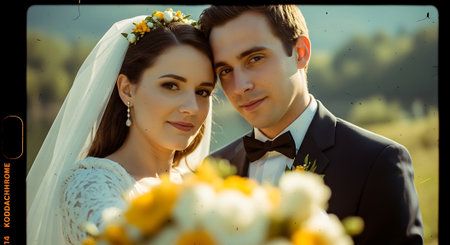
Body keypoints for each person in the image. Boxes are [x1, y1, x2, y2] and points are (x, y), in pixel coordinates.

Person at [199, 5, 423, 244]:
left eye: (255, 58)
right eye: (225, 70)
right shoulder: (214, 168)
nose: (240, 85)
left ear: (300, 52)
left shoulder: (377, 162)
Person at [27, 10, 216, 245]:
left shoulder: (201, 186)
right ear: (127, 90)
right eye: (171, 85)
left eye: (203, 92)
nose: (192, 108)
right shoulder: (92, 186)